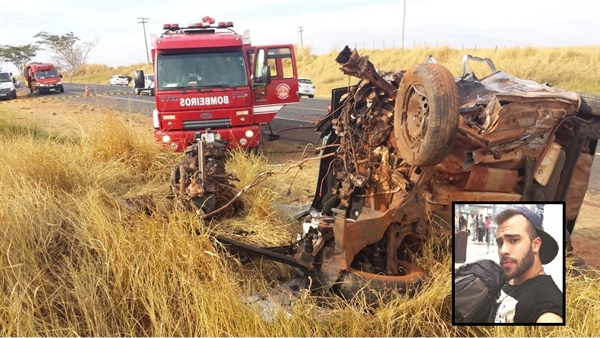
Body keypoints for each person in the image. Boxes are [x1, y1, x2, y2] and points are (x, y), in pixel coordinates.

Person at [493, 206, 563, 324]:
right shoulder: (504, 279)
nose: (503, 250)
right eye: (500, 243)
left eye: (514, 240)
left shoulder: (546, 298)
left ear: (535, 245)